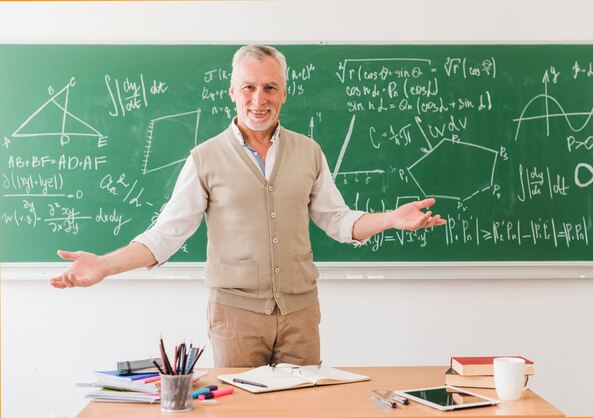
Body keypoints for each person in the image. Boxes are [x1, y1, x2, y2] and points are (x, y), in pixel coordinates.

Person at [50, 44, 446, 367]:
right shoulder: (204, 158)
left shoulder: (309, 152)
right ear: (233, 92)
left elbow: (339, 221)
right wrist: (104, 264)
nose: (259, 99)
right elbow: (166, 235)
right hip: (235, 318)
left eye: (270, 88)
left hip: (301, 316)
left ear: (284, 93)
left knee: (303, 411)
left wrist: (391, 219)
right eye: (249, 87)